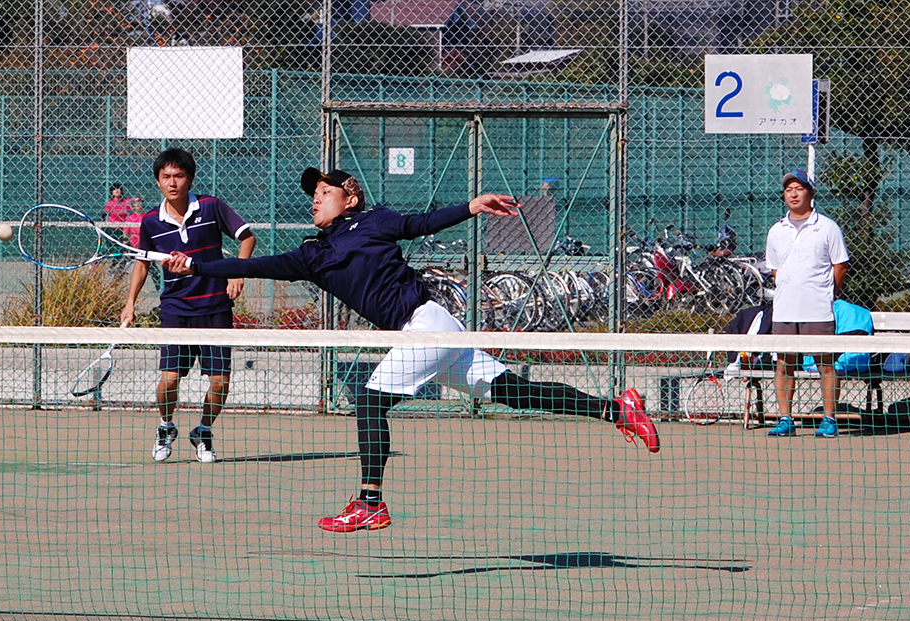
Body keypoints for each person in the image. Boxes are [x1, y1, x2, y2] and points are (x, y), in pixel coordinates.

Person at [166, 167, 660, 533]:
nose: (314, 200)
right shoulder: (312, 255)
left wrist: (470, 206)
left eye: (324, 193)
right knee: (516, 392)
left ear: (350, 197)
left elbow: (422, 223)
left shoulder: (376, 222)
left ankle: (370, 502)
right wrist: (197, 267)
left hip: (426, 323)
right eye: (312, 195)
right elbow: (255, 268)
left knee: (371, 399)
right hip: (425, 334)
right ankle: (617, 409)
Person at [121, 148, 257, 464]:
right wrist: (130, 304)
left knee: (221, 382)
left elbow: (247, 238)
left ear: (190, 178)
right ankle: (166, 426)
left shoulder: (211, 207)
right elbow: (142, 264)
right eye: (166, 177)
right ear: (157, 181)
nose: (173, 183)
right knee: (169, 379)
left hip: (215, 307)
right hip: (176, 308)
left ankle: (203, 431)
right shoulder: (151, 222)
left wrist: (238, 270)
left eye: (179, 176)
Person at [764, 169, 849, 438]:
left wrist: (825, 292)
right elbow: (776, 269)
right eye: (788, 189)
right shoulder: (776, 231)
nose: (793, 193)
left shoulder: (828, 227)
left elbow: (841, 265)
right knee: (784, 364)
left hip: (818, 310)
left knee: (825, 364)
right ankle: (785, 419)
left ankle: (829, 419)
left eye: (799, 188)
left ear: (810, 194)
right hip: (785, 311)